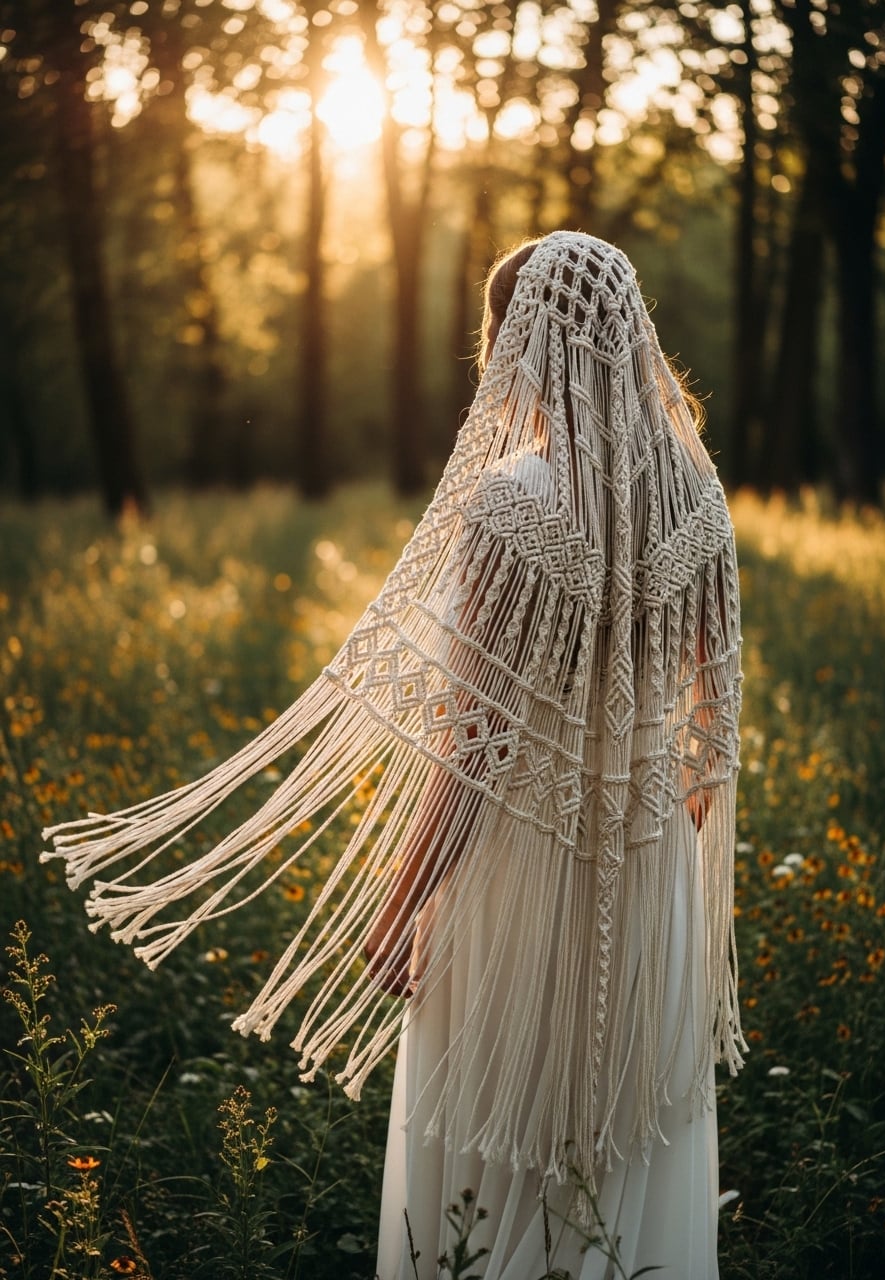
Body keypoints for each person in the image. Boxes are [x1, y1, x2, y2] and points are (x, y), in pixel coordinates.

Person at [43, 232, 745, 1279]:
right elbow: (702, 748)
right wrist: (643, 862)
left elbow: (471, 740)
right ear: (625, 332)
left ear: (517, 344)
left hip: (516, 873)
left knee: (483, 1161)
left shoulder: (514, 502)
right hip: (650, 880)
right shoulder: (698, 502)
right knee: (621, 1150)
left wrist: (400, 899)